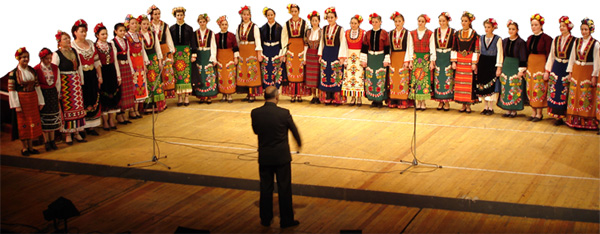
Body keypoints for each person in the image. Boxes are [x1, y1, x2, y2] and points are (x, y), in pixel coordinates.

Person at [251, 85, 301, 229]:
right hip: (281, 157)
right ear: (277, 97)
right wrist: (298, 143)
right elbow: (294, 130)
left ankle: (265, 219)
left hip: (265, 156)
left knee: (265, 188)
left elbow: (256, 130)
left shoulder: (255, 113)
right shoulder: (284, 113)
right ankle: (286, 219)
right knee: (284, 188)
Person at [53, 30, 87, 144]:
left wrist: (81, 80)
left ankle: (77, 132)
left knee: (77, 107)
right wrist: (58, 88)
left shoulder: (74, 51)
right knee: (67, 108)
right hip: (65, 83)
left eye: (68, 38)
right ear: (59, 42)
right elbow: (55, 72)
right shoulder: (56, 54)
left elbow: (79, 67)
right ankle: (68, 133)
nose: (68, 40)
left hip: (75, 82)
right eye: (65, 39)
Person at [9, 47, 44, 156]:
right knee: (23, 124)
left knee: (32, 124)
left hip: (32, 100)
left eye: (27, 57)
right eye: (23, 57)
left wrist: (41, 101)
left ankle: (31, 146)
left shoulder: (32, 70)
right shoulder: (13, 73)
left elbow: (37, 86)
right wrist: (16, 105)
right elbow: (12, 90)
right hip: (22, 101)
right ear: (18, 59)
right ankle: (24, 148)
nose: (26, 59)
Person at [565, 18, 598, 130]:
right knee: (575, 94)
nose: (584, 32)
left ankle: (586, 122)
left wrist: (594, 75)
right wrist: (570, 72)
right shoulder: (577, 42)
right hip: (577, 70)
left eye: (586, 29)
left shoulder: (596, 44)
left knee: (586, 95)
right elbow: (572, 57)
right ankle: (574, 120)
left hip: (588, 70)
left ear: (591, 30)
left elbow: (597, 61)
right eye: (582, 29)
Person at [71, 19, 102, 137]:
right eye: (81, 31)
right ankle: (82, 127)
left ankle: (92, 126)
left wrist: (100, 76)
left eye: (85, 31)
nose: (84, 34)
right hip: (81, 76)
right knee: (83, 100)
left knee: (93, 97)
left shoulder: (90, 44)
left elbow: (96, 61)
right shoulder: (72, 45)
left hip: (92, 74)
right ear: (75, 32)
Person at [544, 16, 576, 126]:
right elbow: (551, 56)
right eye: (560, 26)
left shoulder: (574, 40)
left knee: (564, 91)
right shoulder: (556, 39)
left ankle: (566, 116)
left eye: (564, 26)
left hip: (566, 67)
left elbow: (573, 57)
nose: (561, 28)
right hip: (556, 66)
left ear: (569, 27)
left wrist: (571, 71)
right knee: (555, 90)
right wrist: (548, 70)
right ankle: (557, 117)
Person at [526, 13, 553, 122]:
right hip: (531, 64)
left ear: (541, 25)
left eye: (536, 25)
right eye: (532, 25)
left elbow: (549, 55)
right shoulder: (530, 38)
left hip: (541, 64)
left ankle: (539, 113)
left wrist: (547, 70)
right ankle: (533, 112)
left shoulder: (547, 38)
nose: (534, 27)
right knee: (531, 88)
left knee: (539, 88)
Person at [451, 11, 480, 113]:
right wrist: (454, 61)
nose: (463, 23)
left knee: (468, 84)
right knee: (460, 83)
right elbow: (454, 48)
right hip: (460, 61)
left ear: (470, 22)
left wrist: (474, 62)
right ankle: (462, 105)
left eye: (465, 21)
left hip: (469, 60)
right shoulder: (457, 34)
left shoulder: (474, 34)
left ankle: (468, 105)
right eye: (462, 21)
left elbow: (476, 49)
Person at [318, 7, 348, 106]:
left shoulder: (340, 29)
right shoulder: (324, 29)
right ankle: (327, 97)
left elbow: (343, 43)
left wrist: (342, 57)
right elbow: (322, 42)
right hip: (326, 52)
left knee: (336, 75)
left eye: (332, 17)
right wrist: (320, 55)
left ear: (336, 18)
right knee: (326, 73)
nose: (330, 19)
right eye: (328, 17)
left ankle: (337, 99)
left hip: (335, 53)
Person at [497, 20, 527, 118]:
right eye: (509, 29)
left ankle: (514, 109)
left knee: (515, 86)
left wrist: (521, 70)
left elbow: (523, 57)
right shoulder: (505, 41)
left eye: (513, 29)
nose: (511, 31)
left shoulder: (521, 42)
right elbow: (502, 55)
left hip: (515, 66)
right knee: (505, 86)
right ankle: (507, 108)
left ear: (517, 30)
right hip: (506, 66)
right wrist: (500, 67)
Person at [94, 23, 121, 130]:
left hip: (112, 71)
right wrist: (98, 77)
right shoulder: (95, 46)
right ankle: (104, 121)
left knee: (113, 95)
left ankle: (111, 119)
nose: (105, 36)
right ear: (97, 35)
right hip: (103, 72)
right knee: (104, 97)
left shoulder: (111, 45)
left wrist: (118, 76)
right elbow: (96, 63)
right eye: (102, 34)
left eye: (106, 34)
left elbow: (115, 61)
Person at [281, 4, 311, 102]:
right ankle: (292, 94)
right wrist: (284, 52)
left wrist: (305, 51)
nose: (294, 13)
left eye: (295, 11)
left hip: (300, 49)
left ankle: (300, 94)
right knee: (291, 71)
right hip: (291, 49)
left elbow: (306, 38)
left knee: (300, 71)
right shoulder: (286, 24)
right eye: (292, 11)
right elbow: (284, 39)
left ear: (298, 11)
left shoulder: (304, 23)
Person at [34, 48, 61, 151]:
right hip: (43, 93)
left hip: (52, 93)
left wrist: (58, 93)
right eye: (46, 59)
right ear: (41, 58)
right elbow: (36, 85)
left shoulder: (55, 67)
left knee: (53, 117)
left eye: (50, 58)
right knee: (45, 118)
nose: (49, 61)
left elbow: (57, 81)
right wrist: (40, 99)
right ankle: (46, 141)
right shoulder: (37, 69)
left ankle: (52, 140)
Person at [407, 14, 435, 110]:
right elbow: (411, 47)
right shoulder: (412, 33)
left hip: (425, 60)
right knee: (416, 80)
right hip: (416, 59)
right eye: (419, 21)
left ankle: (423, 102)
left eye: (422, 21)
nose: (420, 23)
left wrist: (432, 61)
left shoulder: (430, 33)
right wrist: (411, 60)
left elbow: (432, 48)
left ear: (425, 22)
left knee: (424, 81)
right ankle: (418, 101)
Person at [362, 13, 390, 108]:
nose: (374, 23)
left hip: (380, 58)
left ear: (380, 22)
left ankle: (380, 100)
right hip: (371, 58)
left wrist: (386, 59)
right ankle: (373, 99)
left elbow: (387, 47)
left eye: (376, 22)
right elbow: (365, 47)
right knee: (371, 78)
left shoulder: (384, 33)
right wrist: (364, 60)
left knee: (380, 78)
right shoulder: (368, 33)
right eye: (373, 22)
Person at [139, 15, 166, 112]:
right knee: (148, 82)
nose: (146, 26)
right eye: (144, 24)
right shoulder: (139, 35)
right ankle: (148, 105)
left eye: (147, 24)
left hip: (154, 58)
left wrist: (159, 60)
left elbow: (158, 48)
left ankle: (158, 104)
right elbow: (141, 51)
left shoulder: (153, 34)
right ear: (140, 25)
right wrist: (144, 63)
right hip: (146, 60)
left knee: (156, 81)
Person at [148, 4, 176, 100]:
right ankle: (158, 95)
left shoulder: (164, 25)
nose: (157, 16)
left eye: (159, 13)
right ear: (151, 15)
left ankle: (165, 95)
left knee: (166, 72)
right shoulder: (148, 25)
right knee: (156, 72)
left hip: (164, 48)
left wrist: (171, 53)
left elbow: (169, 38)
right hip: (153, 49)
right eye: (155, 14)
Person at [170, 7, 196, 106]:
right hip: (176, 53)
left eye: (181, 15)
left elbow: (192, 41)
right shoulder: (171, 28)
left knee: (186, 75)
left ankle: (186, 97)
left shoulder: (189, 28)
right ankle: (179, 97)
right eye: (178, 15)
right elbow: (170, 42)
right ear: (175, 16)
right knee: (177, 75)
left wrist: (193, 54)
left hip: (186, 53)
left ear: (184, 16)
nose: (179, 17)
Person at [237, 5, 263, 103]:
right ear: (241, 16)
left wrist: (259, 53)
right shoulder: (239, 27)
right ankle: (248, 93)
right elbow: (237, 40)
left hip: (252, 50)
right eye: (244, 15)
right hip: (243, 51)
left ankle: (252, 95)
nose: (246, 16)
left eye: (247, 15)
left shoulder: (254, 27)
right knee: (244, 72)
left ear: (250, 15)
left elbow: (258, 40)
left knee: (252, 71)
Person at [476, 18, 503, 115]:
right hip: (483, 63)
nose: (487, 29)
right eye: (485, 27)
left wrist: (499, 67)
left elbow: (500, 53)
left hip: (492, 63)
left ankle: (491, 108)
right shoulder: (481, 38)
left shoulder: (497, 39)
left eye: (489, 27)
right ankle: (485, 106)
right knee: (483, 85)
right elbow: (478, 51)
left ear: (493, 28)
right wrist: (476, 64)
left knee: (491, 86)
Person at [126, 15, 150, 117]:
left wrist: (145, 63)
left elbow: (143, 50)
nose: (134, 25)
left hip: (140, 61)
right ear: (128, 24)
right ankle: (132, 110)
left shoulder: (139, 36)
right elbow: (127, 52)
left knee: (140, 84)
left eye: (136, 23)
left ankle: (136, 109)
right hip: (132, 61)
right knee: (134, 85)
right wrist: (130, 66)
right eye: (132, 23)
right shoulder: (126, 37)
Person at [388, 12, 413, 109]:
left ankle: (403, 100)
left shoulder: (407, 33)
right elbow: (389, 48)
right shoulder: (391, 33)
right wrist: (389, 59)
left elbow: (409, 47)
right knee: (394, 79)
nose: (397, 23)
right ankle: (394, 98)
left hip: (403, 57)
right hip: (394, 58)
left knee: (403, 79)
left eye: (399, 21)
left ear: (403, 22)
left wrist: (408, 60)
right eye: (396, 21)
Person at [192, 13, 218, 104]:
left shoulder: (211, 33)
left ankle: (209, 95)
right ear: (198, 22)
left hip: (207, 54)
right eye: (200, 22)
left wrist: (213, 58)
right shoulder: (195, 33)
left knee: (208, 74)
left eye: (203, 21)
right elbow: (193, 46)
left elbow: (213, 46)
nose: (202, 23)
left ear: (206, 22)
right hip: (199, 55)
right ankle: (201, 96)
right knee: (200, 74)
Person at [112, 23, 135, 125]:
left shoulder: (126, 41)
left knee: (127, 91)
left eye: (123, 31)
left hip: (126, 67)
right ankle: (119, 115)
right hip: (119, 67)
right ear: (115, 31)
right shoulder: (113, 42)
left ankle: (124, 114)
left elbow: (129, 56)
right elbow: (115, 59)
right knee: (121, 91)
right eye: (120, 31)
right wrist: (117, 74)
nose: (122, 33)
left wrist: (131, 69)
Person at [432, 12, 455, 111]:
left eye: (443, 21)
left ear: (447, 21)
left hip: (447, 56)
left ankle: (446, 101)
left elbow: (454, 46)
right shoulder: (436, 31)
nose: (441, 23)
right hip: (438, 56)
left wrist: (453, 60)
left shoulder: (453, 32)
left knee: (447, 77)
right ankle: (440, 101)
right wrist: (433, 59)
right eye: (440, 21)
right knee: (438, 77)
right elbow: (433, 46)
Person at [215, 16, 239, 103]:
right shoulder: (216, 36)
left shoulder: (231, 35)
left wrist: (235, 58)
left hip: (229, 56)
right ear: (219, 26)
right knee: (221, 76)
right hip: (220, 57)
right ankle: (223, 94)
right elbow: (214, 48)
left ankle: (229, 95)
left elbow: (235, 47)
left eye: (226, 24)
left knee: (230, 75)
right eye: (222, 25)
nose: (224, 26)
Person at [259, 8, 285, 90]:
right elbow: (261, 41)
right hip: (266, 50)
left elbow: (282, 41)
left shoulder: (279, 28)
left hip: (276, 49)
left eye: (271, 15)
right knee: (266, 70)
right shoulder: (262, 28)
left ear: (274, 15)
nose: (270, 17)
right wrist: (261, 53)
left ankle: (275, 89)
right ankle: (267, 89)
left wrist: (281, 53)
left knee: (276, 69)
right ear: (266, 16)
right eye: (268, 15)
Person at [343, 15, 366, 106]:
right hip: (349, 57)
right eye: (352, 23)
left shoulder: (363, 33)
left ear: (359, 24)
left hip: (358, 58)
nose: (353, 25)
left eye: (355, 23)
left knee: (358, 78)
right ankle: (352, 97)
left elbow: (364, 47)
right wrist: (344, 59)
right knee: (350, 78)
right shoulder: (346, 33)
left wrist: (363, 59)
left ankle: (359, 97)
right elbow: (344, 47)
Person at [305, 11, 321, 103]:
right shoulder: (308, 32)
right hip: (309, 55)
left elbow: (322, 45)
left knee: (317, 76)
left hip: (317, 54)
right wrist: (304, 58)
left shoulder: (321, 31)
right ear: (310, 21)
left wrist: (320, 56)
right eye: (313, 20)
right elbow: (306, 45)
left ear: (319, 21)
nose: (314, 22)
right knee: (310, 76)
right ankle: (313, 96)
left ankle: (319, 96)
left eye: (316, 20)